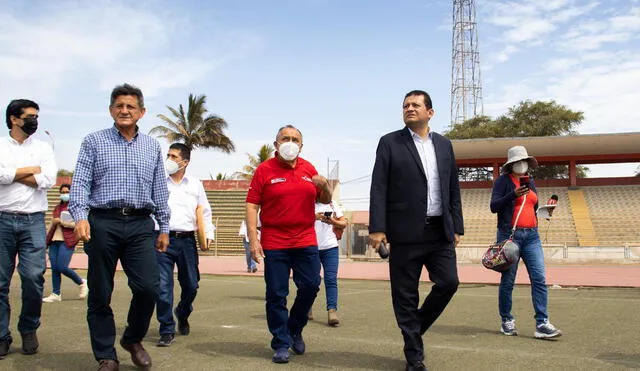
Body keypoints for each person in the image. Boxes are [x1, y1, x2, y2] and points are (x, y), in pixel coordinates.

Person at [69, 83, 170, 371]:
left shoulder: (152, 146)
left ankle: (132, 339)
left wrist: (164, 226)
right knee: (100, 292)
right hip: (103, 222)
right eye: (119, 106)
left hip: (140, 224)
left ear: (141, 112)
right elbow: (81, 183)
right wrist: (80, 216)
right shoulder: (93, 141)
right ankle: (106, 355)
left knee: (149, 287)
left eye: (131, 107)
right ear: (111, 110)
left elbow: (159, 188)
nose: (124, 111)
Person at [369, 90, 464, 371]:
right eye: (406, 105)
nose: (409, 108)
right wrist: (377, 228)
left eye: (416, 105)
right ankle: (414, 356)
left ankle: (414, 329)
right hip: (404, 233)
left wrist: (456, 226)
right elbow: (379, 187)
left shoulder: (445, 145)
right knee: (405, 295)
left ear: (430, 113)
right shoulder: (389, 143)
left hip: (439, 232)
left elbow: (453, 188)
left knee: (449, 283)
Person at [246, 125, 332, 364]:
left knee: (312, 285)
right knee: (276, 293)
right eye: (286, 138)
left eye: (295, 139)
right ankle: (281, 343)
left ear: (301, 146)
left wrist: (324, 185)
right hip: (275, 241)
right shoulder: (264, 170)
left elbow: (324, 200)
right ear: (276, 144)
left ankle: (294, 327)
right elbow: (252, 206)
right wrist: (254, 240)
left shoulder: (308, 168)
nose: (290, 142)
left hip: (305, 239)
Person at [0, 99, 57, 358]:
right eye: (29, 116)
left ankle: (28, 327)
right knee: (0, 283)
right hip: (2, 219)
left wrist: (12, 173)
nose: (34, 120)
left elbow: (49, 179)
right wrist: (30, 171)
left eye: (36, 116)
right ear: (14, 118)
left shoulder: (43, 147)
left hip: (33, 220)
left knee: (34, 279)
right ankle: (2, 335)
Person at [490, 145, 562, 339]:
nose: (522, 165)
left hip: (532, 236)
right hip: (510, 236)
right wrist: (513, 195)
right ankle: (506, 320)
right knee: (508, 280)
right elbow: (494, 206)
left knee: (539, 278)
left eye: (525, 161)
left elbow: (532, 205)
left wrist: (545, 212)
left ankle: (542, 323)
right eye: (518, 162)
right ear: (511, 164)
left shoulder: (530, 181)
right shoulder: (502, 182)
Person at [155, 143, 214, 347]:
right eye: (168, 155)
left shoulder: (195, 184)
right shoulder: (158, 182)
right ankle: (166, 329)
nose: (169, 160)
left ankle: (183, 311)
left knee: (191, 284)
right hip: (161, 239)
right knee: (163, 286)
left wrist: (209, 233)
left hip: (187, 240)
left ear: (185, 162)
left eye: (173, 156)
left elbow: (204, 211)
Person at [43, 183, 88, 303]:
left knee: (62, 266)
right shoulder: (57, 208)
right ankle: (56, 293)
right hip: (54, 240)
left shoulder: (75, 207)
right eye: (62, 192)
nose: (64, 194)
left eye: (67, 192)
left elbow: (77, 225)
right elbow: (52, 224)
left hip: (67, 240)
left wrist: (62, 222)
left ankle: (81, 282)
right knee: (54, 268)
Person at [311, 201, 347, 326]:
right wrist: (313, 217)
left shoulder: (331, 203)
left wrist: (332, 221)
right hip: (311, 247)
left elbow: (344, 223)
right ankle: (307, 307)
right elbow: (296, 220)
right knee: (311, 281)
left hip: (330, 247)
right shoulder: (305, 199)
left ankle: (332, 311)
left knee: (331, 279)